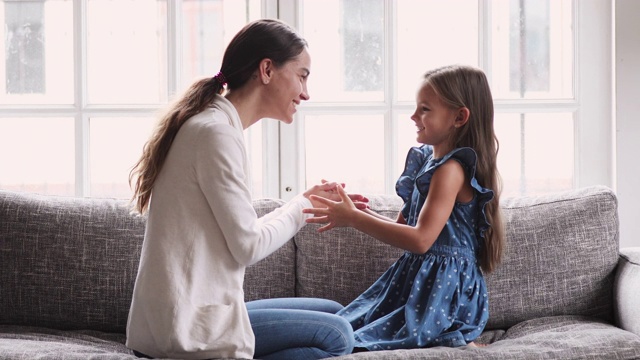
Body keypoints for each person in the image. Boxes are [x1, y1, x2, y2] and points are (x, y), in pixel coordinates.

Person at [126, 19, 366, 360]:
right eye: (302, 75)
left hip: (186, 318)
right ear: (267, 69)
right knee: (337, 334)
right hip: (184, 332)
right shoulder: (215, 134)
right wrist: (299, 208)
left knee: (333, 311)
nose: (306, 93)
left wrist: (304, 201)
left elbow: (243, 233)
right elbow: (248, 246)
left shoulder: (213, 125)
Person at [303, 64, 505, 351]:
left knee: (348, 340)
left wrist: (354, 220)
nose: (413, 116)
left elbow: (421, 241)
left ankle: (452, 336)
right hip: (420, 280)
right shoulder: (428, 163)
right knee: (344, 327)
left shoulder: (451, 170)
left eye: (425, 109)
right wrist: (356, 212)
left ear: (459, 117)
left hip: (442, 291)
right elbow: (405, 231)